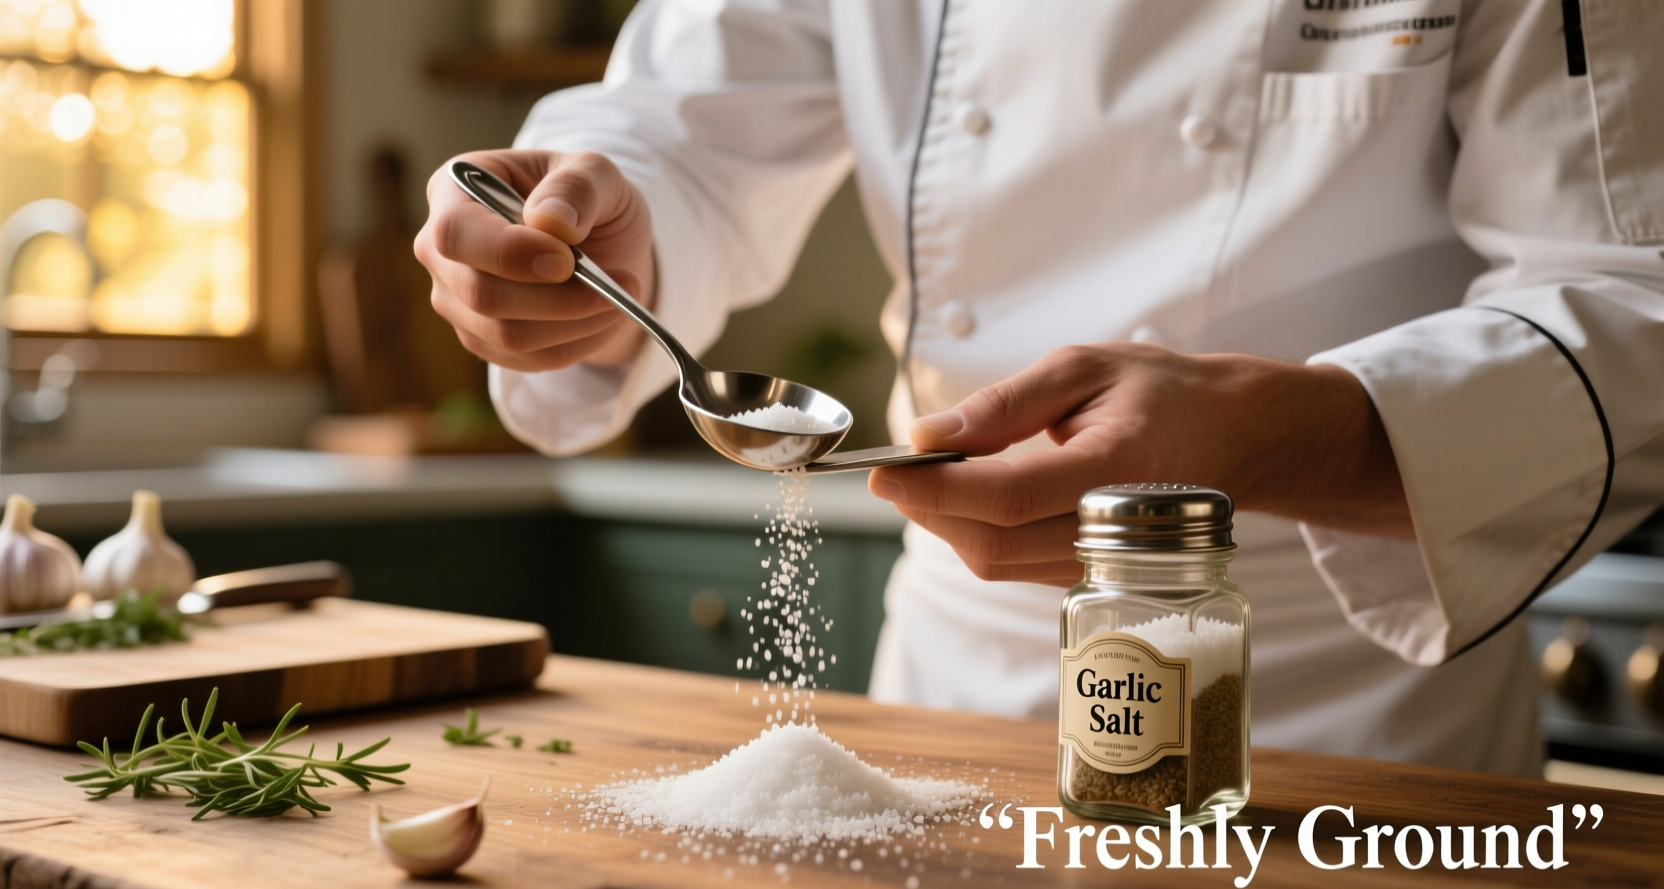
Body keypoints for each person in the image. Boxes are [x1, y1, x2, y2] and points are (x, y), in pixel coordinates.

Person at [416, 0, 1664, 778]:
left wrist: (1282, 441)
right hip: (957, 683)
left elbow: (1629, 297)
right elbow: (680, 121)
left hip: (1335, 707)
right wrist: (600, 234)